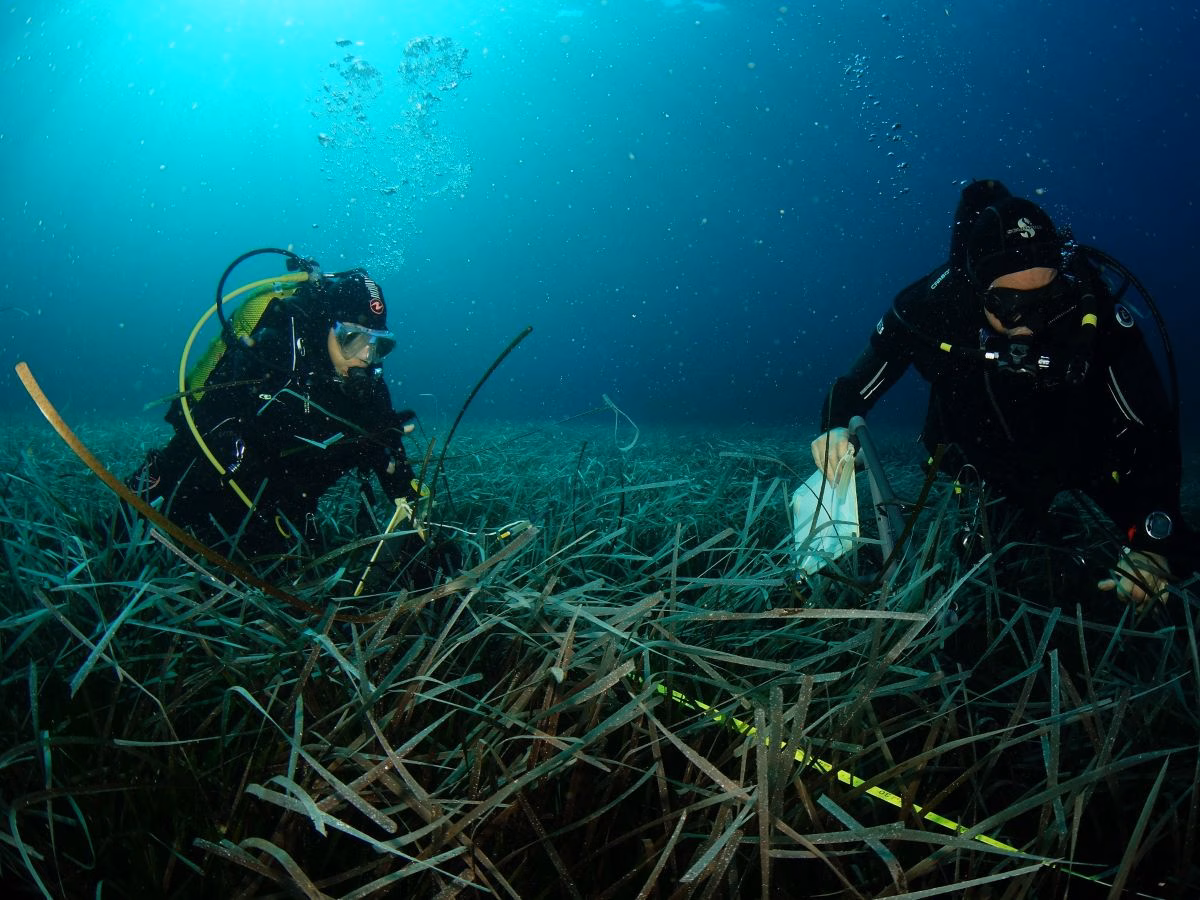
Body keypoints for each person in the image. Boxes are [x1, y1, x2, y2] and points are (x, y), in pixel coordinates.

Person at [810, 179, 1193, 610]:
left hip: (1085, 454)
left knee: (1171, 564)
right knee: (986, 588)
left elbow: (1152, 428)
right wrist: (835, 428)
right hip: (984, 464)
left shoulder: (1088, 308)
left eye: (1044, 301)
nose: (1028, 326)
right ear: (975, 289)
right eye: (1009, 305)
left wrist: (1153, 544)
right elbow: (852, 388)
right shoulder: (931, 310)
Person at [132, 257, 441, 586]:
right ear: (326, 324)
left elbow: (390, 457)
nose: (365, 356)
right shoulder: (275, 348)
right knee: (155, 512)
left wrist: (419, 536)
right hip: (221, 471)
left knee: (280, 563)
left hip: (287, 498)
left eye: (379, 345)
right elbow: (209, 425)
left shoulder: (367, 382)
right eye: (352, 339)